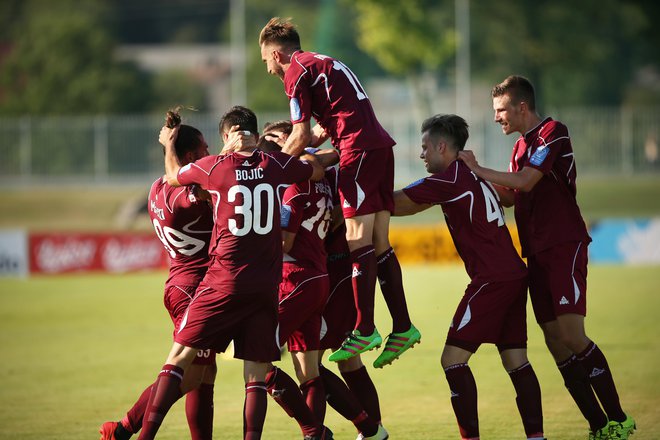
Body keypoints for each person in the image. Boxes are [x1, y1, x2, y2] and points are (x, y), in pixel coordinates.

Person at [458, 75, 635, 440]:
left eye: (501, 110)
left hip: (562, 245)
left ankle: (619, 419)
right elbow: (511, 195)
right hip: (535, 252)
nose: (496, 118)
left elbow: (524, 182)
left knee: (571, 334)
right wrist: (468, 178)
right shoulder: (520, 148)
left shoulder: (554, 131)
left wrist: (477, 168)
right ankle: (599, 426)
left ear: (522, 107)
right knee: (554, 340)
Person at [137, 106, 328, 440]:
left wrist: (168, 146)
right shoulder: (277, 164)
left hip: (220, 281)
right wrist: (313, 146)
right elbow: (314, 170)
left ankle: (144, 435)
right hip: (266, 285)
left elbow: (172, 176)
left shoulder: (214, 168)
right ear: (255, 134)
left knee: (180, 359)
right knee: (255, 375)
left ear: (226, 137)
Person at [258, 17, 420, 368]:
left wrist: (270, 174)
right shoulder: (323, 61)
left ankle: (364, 329)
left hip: (358, 152)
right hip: (378, 148)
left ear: (275, 53)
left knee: (356, 239)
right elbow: (323, 125)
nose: (268, 69)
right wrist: (315, 139)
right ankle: (403, 327)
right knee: (378, 243)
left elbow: (300, 134)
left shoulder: (294, 71)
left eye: (265, 62)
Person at [393, 114, 545, 440]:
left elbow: (400, 204)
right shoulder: (470, 177)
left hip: (492, 279)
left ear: (442, 147)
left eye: (424, 148)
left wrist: (355, 200)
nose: (421, 155)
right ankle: (537, 437)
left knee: (452, 360)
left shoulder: (450, 179)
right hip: (513, 274)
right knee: (516, 361)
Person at [261, 121, 388, 440]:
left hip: (330, 271)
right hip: (320, 271)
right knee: (311, 366)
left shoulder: (295, 180)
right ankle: (347, 431)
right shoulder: (310, 169)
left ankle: (361, 430)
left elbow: (288, 237)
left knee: (344, 359)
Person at [99, 109, 217, 440]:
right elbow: (195, 185)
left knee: (204, 372)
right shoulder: (191, 196)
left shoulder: (155, 189)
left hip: (179, 282)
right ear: (191, 156)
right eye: (206, 149)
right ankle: (124, 428)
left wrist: (169, 147)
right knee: (189, 374)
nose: (210, 155)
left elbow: (173, 177)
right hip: (197, 287)